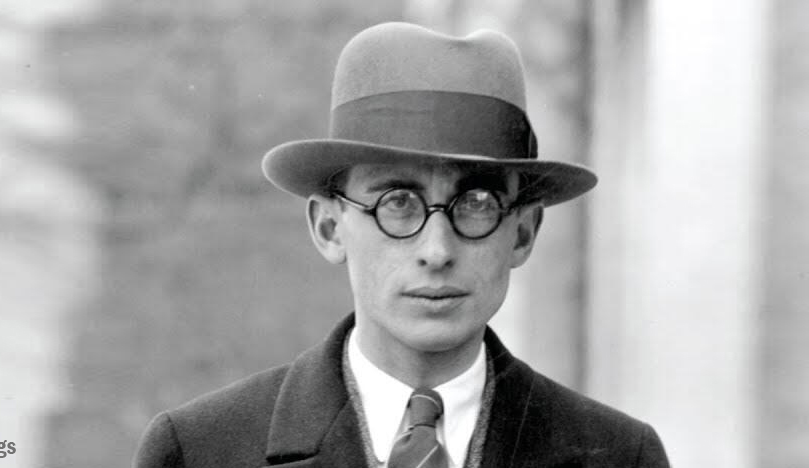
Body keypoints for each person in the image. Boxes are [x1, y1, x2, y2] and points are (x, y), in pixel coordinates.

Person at [134, 22, 670, 468]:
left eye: (476, 202)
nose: (437, 250)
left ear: (523, 232)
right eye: (398, 203)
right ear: (330, 228)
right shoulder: (200, 451)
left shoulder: (619, 456)